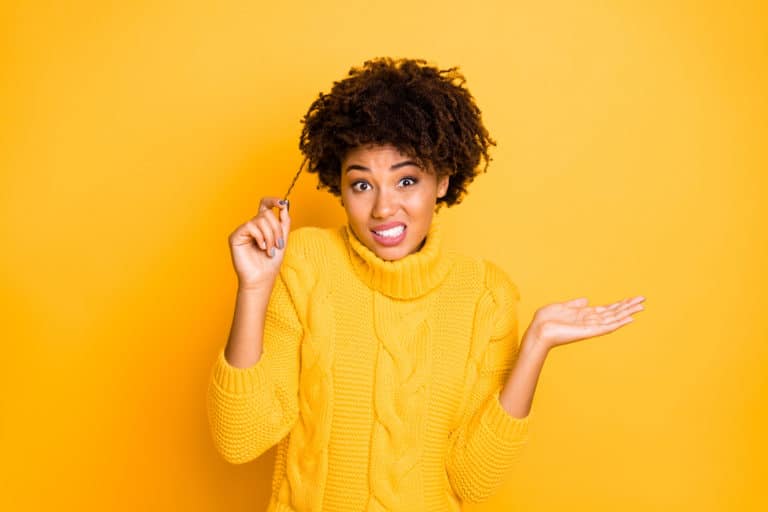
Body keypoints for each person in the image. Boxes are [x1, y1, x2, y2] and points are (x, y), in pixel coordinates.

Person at [206, 57, 645, 511]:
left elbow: (473, 480)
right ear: (339, 186)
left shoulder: (485, 296)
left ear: (443, 180)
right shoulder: (304, 264)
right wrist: (254, 289)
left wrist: (535, 346)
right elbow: (240, 438)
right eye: (362, 185)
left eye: (407, 180)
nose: (383, 208)